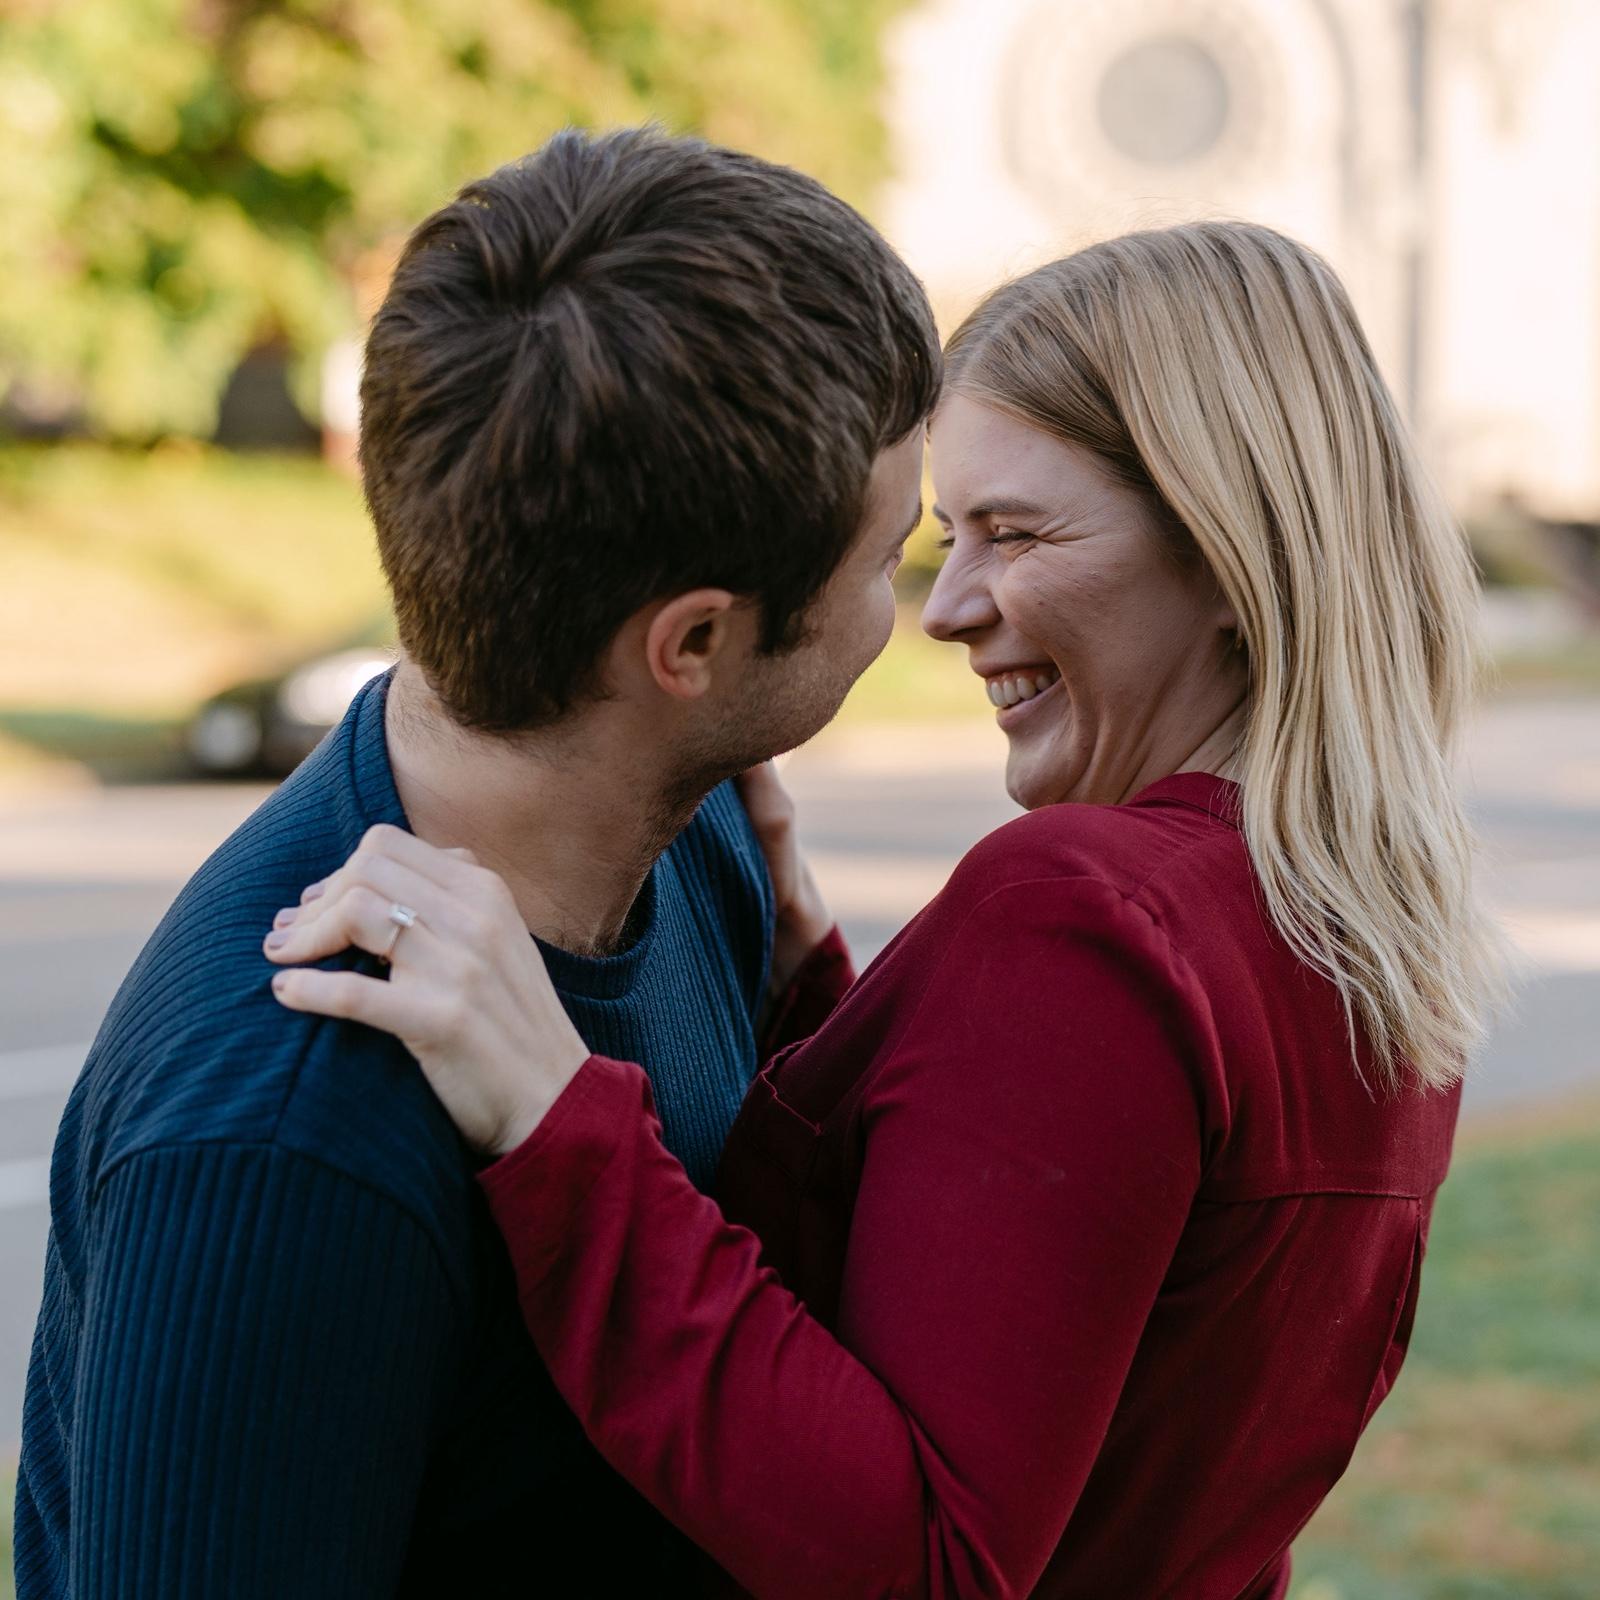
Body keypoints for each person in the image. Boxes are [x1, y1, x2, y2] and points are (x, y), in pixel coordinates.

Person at [268, 222, 1507, 1599]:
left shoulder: (1084, 915)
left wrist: (557, 1119)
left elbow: (929, 1558)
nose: (950, 608)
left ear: (1224, 548)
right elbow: (1104, 1376)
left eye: (1017, 534)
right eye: (940, 540)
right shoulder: (1356, 933)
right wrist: (824, 1002)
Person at [13, 127, 939, 1598]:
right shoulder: (283, 1138)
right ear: (693, 643)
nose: (927, 613)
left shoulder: (700, 838)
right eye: (888, 559)